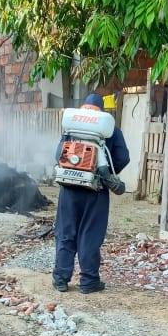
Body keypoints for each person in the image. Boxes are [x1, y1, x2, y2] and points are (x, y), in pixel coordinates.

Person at [53, 93, 130, 294]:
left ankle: (61, 279)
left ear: (83, 107)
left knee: (66, 233)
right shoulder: (110, 129)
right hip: (96, 191)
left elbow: (58, 154)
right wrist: (107, 173)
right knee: (90, 235)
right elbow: (123, 157)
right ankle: (88, 282)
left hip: (69, 189)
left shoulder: (72, 126)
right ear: (102, 111)